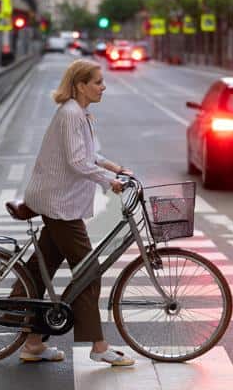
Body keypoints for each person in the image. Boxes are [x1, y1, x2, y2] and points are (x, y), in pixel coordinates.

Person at [8, 58, 137, 367]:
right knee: (89, 273)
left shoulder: (80, 114)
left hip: (60, 203)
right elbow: (77, 162)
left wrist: (116, 168)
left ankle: (33, 342)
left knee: (40, 271)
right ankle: (98, 345)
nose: (103, 86)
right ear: (80, 85)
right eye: (97, 82)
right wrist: (110, 183)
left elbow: (90, 154)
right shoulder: (69, 114)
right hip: (58, 204)